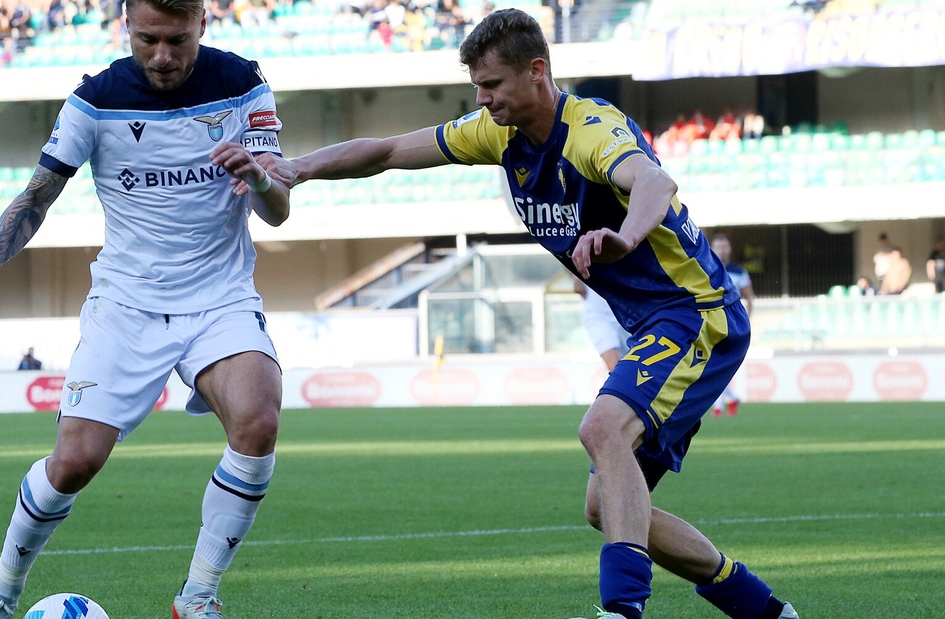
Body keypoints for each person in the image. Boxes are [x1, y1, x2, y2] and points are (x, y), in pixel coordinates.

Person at [255, 9, 796, 619]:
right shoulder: (497, 132)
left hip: (697, 312)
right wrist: (297, 169)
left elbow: (653, 180)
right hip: (652, 320)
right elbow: (385, 150)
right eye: (477, 88)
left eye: (492, 86)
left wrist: (623, 235)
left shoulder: (592, 128)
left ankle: (621, 610)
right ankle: (764, 611)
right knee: (607, 506)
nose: (481, 101)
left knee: (600, 431)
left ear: (537, 71)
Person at [0, 0, 290, 616]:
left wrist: (259, 178)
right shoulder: (95, 101)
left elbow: (277, 208)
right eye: (147, 39)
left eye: (177, 40)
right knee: (73, 464)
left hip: (220, 298)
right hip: (127, 304)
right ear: (126, 28)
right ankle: (0, 595)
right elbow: (38, 195)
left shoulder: (243, 84)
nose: (162, 56)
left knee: (258, 419)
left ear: (202, 27)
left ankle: (199, 597)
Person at [708, 233, 752, 417]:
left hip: (732, 325)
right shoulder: (705, 267)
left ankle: (719, 406)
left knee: (715, 366)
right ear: (711, 248)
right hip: (711, 323)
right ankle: (730, 399)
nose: (722, 250)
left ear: (730, 249)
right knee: (712, 366)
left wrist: (747, 322)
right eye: (718, 246)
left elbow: (750, 298)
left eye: (725, 246)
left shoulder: (739, 271)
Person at [574, 276, 628, 372]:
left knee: (637, 363)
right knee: (615, 367)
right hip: (597, 311)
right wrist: (576, 277)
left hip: (628, 309)